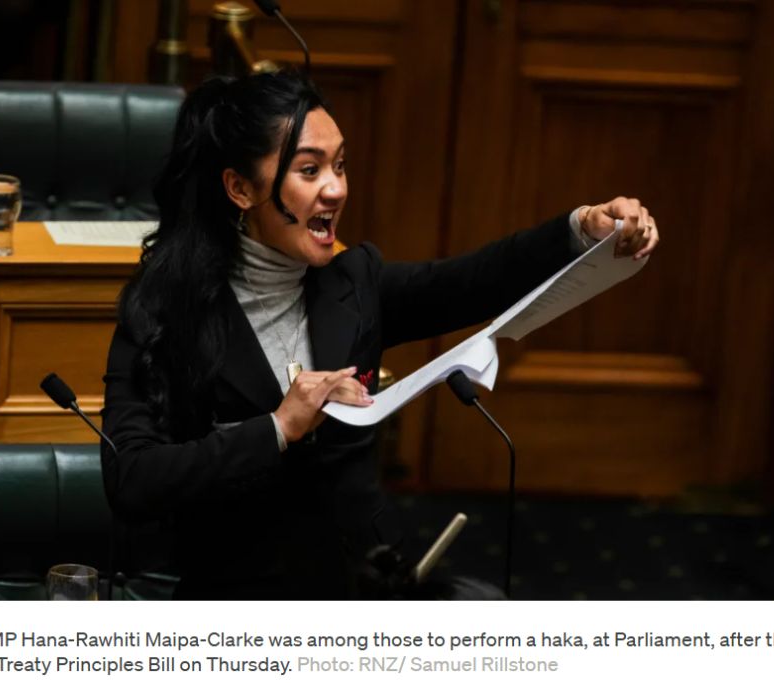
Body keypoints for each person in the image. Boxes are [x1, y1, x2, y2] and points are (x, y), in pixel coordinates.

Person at [101, 69, 659, 600]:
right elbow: (132, 478)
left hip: (366, 591)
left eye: (340, 166)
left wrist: (581, 229)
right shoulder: (165, 310)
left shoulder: (352, 282)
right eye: (310, 169)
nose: (336, 189)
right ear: (240, 189)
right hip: (243, 604)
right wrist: (276, 427)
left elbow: (474, 280)